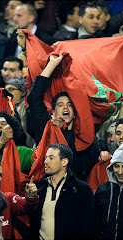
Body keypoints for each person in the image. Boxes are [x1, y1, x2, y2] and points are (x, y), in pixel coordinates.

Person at [27, 52, 100, 181]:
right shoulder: (46, 127)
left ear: (75, 112)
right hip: (46, 185)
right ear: (54, 111)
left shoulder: (86, 137)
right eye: (61, 105)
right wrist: (52, 64)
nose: (65, 107)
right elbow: (34, 98)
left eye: (70, 105)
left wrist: (103, 153)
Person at [29, 143, 95, 240]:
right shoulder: (39, 188)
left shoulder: (82, 190)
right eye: (46, 157)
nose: (45, 161)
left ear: (64, 162)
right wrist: (30, 197)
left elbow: (89, 229)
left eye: (51, 158)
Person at [5, 78, 34, 148]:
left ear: (23, 92)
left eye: (11, 89)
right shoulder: (8, 107)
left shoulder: (27, 106)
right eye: (6, 90)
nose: (7, 93)